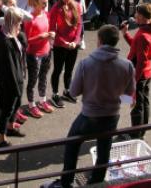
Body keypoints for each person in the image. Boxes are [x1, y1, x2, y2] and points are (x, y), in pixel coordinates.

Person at [43, 25, 135, 188]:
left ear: (99, 41)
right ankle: (96, 183)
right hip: (112, 116)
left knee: (72, 144)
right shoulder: (127, 65)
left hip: (89, 115)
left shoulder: (86, 63)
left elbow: (74, 91)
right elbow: (128, 97)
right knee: (104, 151)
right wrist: (114, 99)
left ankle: (66, 183)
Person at [121, 3, 151, 139]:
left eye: (136, 13)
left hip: (140, 74)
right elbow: (137, 47)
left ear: (142, 16)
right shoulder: (149, 28)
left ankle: (136, 135)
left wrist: (134, 81)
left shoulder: (143, 34)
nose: (134, 15)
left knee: (137, 105)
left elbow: (140, 61)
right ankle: (142, 130)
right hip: (148, 72)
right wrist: (126, 34)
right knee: (144, 102)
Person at [0, 7, 27, 147]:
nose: (20, 25)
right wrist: (15, 86)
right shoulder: (6, 41)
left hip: (18, 77)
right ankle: (2, 138)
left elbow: (25, 46)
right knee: (8, 108)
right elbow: (9, 67)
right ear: (11, 21)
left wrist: (20, 35)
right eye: (18, 22)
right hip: (11, 81)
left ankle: (10, 127)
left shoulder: (15, 35)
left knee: (17, 105)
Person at [49, 0, 82, 108]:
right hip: (60, 45)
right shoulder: (56, 8)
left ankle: (67, 91)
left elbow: (79, 25)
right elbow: (52, 29)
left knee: (69, 69)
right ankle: (55, 94)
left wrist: (75, 41)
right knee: (57, 70)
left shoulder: (77, 5)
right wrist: (64, 43)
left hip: (73, 45)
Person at [24, 0, 55, 118]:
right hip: (34, 54)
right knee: (33, 80)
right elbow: (26, 41)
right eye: (43, 3)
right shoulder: (29, 19)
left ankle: (42, 101)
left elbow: (49, 30)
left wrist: (51, 34)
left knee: (43, 77)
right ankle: (31, 105)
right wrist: (41, 36)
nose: (45, 5)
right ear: (35, 3)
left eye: (46, 3)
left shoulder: (46, 14)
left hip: (47, 51)